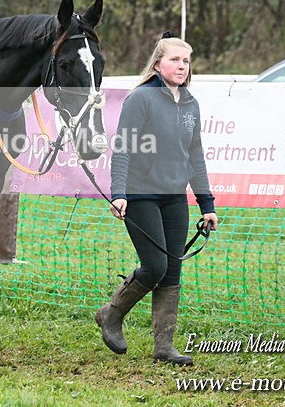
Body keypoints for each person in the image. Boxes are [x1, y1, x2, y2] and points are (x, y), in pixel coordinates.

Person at [95, 31, 218, 366]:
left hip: (175, 198)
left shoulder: (191, 103)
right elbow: (121, 150)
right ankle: (111, 314)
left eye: (186, 61)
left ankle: (164, 347)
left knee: (173, 271)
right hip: (141, 196)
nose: (181, 66)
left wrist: (206, 205)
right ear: (158, 63)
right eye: (175, 60)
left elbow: (196, 156)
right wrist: (119, 194)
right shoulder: (141, 99)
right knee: (156, 266)